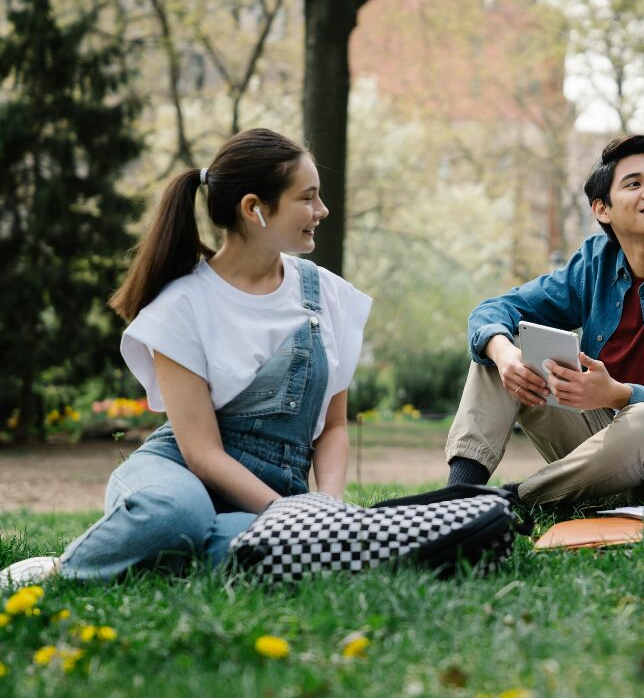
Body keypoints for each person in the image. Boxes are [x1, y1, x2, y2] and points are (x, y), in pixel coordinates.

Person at [1, 129, 371, 587]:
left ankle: (156, 557)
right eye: (308, 198)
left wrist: (325, 513)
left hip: (266, 500)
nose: (322, 211)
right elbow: (202, 455)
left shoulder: (328, 296)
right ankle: (60, 572)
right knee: (178, 514)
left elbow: (333, 426)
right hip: (177, 477)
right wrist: (289, 513)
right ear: (254, 208)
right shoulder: (182, 305)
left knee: (263, 549)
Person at [443, 135, 644, 506]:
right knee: (502, 349)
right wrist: (503, 353)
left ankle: (507, 501)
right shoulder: (595, 263)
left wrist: (618, 394)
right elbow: (493, 309)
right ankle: (454, 500)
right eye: (634, 184)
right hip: (598, 448)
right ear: (602, 209)